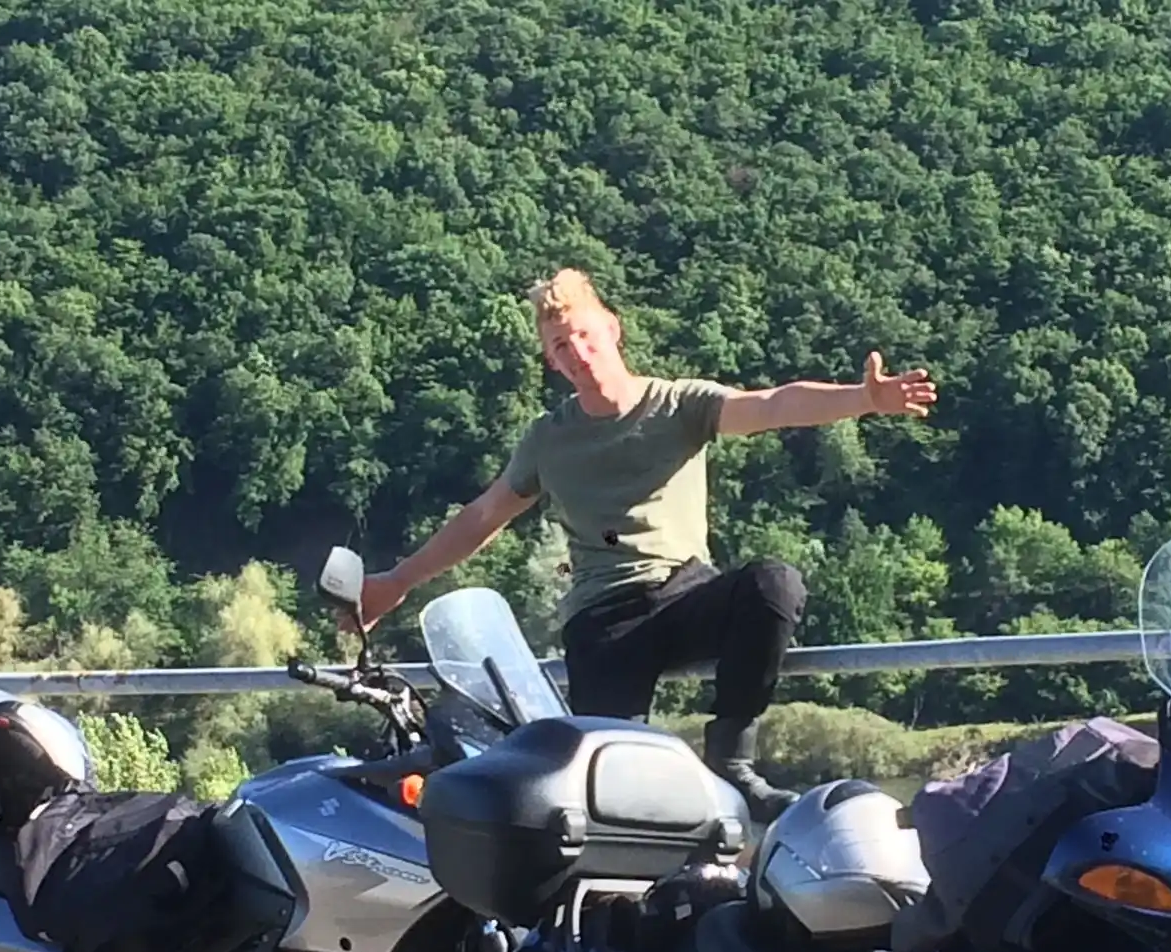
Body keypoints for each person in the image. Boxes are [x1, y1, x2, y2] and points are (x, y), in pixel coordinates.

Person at [349, 268, 937, 821]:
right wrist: (396, 581)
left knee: (773, 582)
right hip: (605, 619)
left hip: (686, 592)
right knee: (613, 790)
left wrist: (864, 399)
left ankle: (732, 760)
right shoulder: (548, 440)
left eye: (583, 334)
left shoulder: (678, 405)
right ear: (551, 361)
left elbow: (773, 404)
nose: (577, 352)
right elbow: (482, 516)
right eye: (560, 346)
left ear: (612, 328)